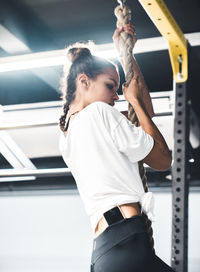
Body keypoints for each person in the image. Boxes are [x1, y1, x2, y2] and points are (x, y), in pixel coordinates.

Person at [59, 23, 174, 272]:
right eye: (111, 86)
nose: (116, 95)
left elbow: (144, 117)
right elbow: (163, 159)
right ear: (84, 81)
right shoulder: (101, 113)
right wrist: (133, 98)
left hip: (105, 250)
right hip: (126, 240)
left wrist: (126, 55)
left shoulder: (68, 134)